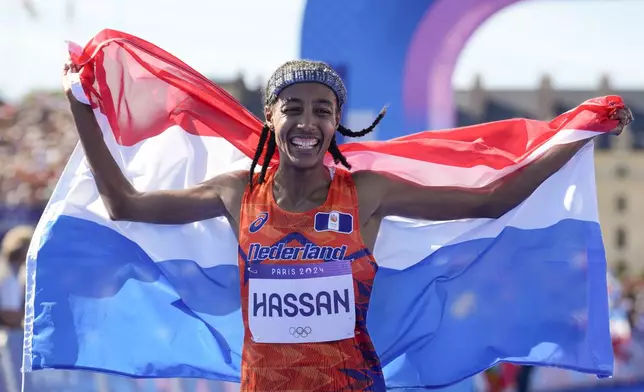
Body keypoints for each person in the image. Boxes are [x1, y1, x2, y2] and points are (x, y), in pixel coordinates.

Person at [62, 58, 633, 391]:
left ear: (338, 122)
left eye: (322, 110)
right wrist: (82, 106)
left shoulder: (366, 193)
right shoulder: (236, 192)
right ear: (271, 118)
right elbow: (124, 205)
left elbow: (492, 200)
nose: (307, 121)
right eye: (294, 108)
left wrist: (575, 132)